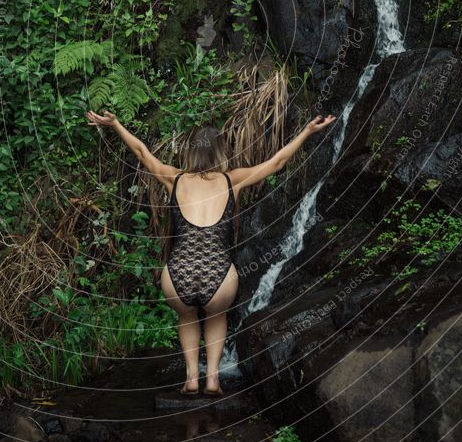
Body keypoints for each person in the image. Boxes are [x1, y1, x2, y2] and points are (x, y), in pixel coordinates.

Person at [85, 109, 336, 395]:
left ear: (191, 152)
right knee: (217, 315)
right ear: (219, 152)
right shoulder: (233, 180)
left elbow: (142, 152)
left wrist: (116, 124)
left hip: (177, 275)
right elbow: (277, 162)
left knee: (187, 316)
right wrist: (306, 131)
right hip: (219, 279)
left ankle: (192, 378)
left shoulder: (174, 178)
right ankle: (213, 379)